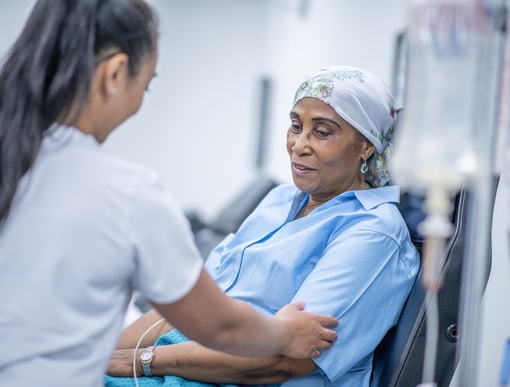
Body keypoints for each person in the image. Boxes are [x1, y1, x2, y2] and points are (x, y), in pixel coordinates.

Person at [0, 1, 339, 386]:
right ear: (115, 73)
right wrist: (286, 333)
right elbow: (221, 326)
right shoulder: (127, 194)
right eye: (147, 84)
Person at [104, 65, 421, 387]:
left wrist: (139, 361)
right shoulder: (280, 200)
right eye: (296, 126)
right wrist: (100, 357)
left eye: (322, 132)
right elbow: (193, 304)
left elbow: (283, 362)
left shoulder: (372, 233)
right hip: (180, 365)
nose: (299, 144)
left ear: (366, 145)